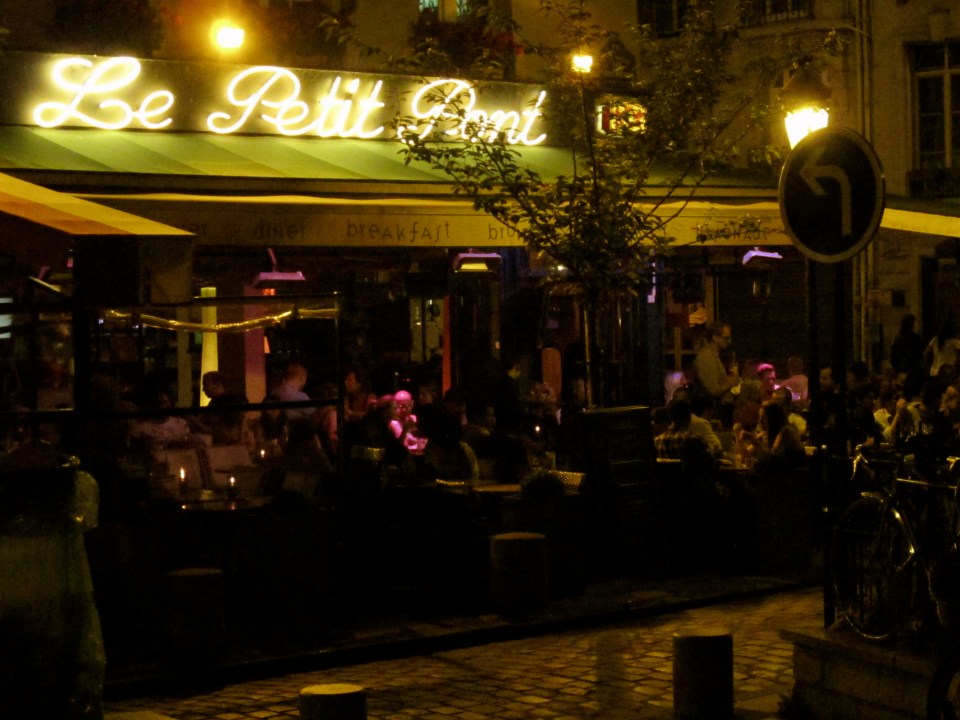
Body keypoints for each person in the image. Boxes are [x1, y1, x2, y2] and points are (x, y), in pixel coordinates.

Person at [690, 322, 740, 420]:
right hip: (711, 413)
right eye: (726, 338)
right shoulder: (706, 358)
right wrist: (732, 381)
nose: (729, 341)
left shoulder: (714, 356)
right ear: (715, 337)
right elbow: (714, 390)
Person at [199, 370, 249, 445]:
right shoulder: (214, 403)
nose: (203, 389)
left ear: (217, 384)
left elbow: (223, 431)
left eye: (205, 385)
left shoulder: (230, 402)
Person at [890, 314, 925, 391]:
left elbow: (893, 356)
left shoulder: (898, 339)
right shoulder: (915, 338)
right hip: (913, 369)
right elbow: (921, 352)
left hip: (901, 368)